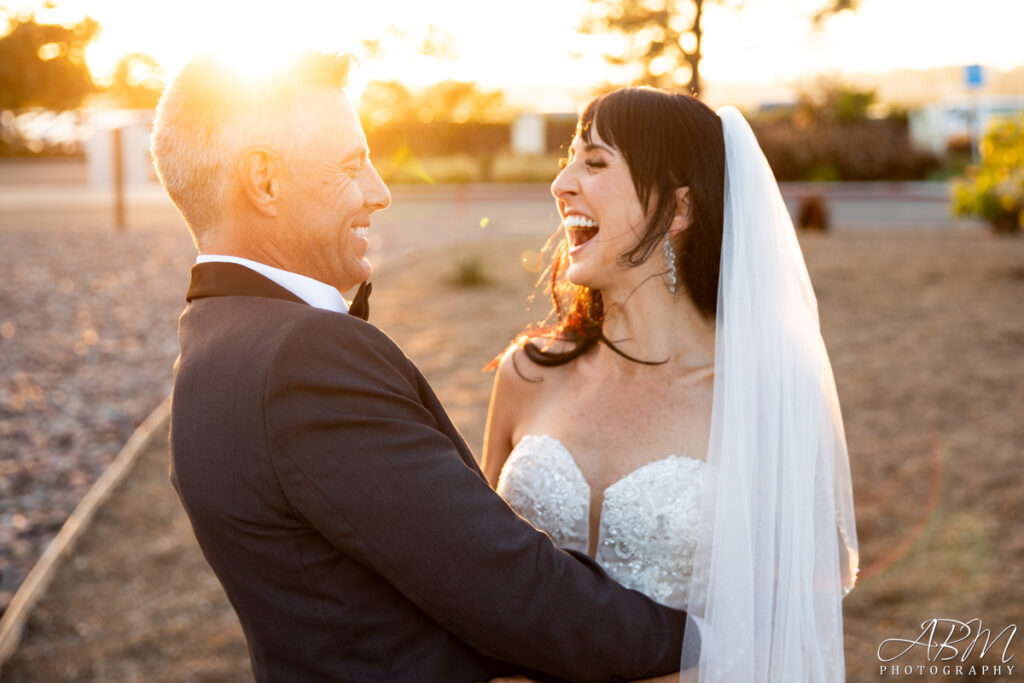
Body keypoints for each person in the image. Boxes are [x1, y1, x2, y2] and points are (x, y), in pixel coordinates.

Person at [152, 54, 692, 682]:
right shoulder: (306, 358)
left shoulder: (208, 344)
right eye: (352, 166)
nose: (379, 193)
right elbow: (503, 585)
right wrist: (709, 638)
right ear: (265, 182)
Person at [483, 87, 859, 682]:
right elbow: (485, 582)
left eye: (596, 161)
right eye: (568, 159)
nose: (561, 184)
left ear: (679, 209)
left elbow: (791, 624)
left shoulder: (764, 401)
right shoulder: (527, 374)